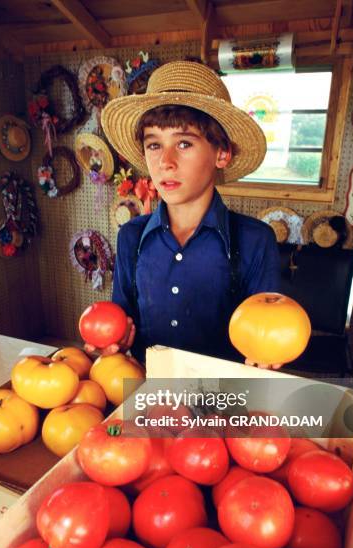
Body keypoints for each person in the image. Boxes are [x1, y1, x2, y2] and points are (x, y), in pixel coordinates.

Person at [87, 61, 281, 368]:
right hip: (147, 395)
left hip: (221, 406)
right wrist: (112, 341)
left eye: (184, 143)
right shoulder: (131, 237)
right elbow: (120, 323)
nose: (165, 161)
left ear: (222, 153)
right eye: (154, 144)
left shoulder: (255, 240)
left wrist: (269, 354)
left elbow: (271, 333)